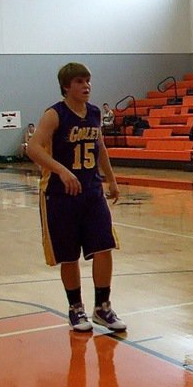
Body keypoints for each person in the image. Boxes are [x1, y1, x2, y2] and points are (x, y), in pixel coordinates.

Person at [27, 63, 127, 334]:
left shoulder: (94, 113)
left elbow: (100, 147)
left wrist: (112, 178)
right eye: (79, 82)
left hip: (92, 192)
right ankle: (75, 308)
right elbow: (33, 149)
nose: (86, 86)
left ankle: (102, 307)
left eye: (88, 81)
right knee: (69, 255)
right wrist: (60, 170)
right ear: (66, 87)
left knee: (104, 247)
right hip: (60, 195)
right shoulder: (54, 114)